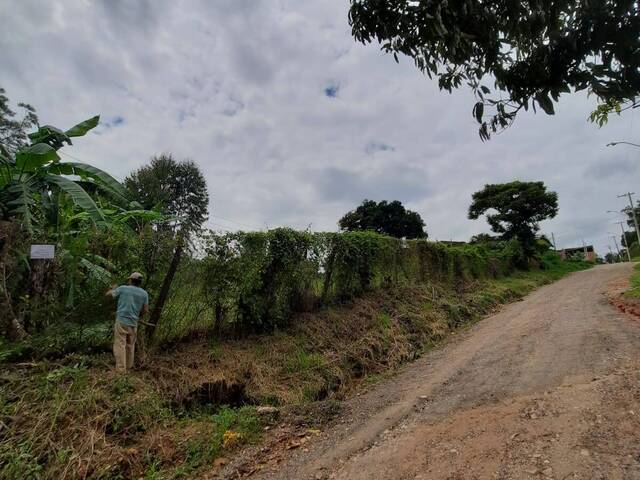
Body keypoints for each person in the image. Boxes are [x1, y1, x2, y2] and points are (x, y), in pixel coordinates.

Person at [106, 272, 149, 373]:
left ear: (130, 280)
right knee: (130, 345)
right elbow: (146, 310)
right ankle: (129, 368)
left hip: (121, 321)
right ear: (140, 282)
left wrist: (113, 288)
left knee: (120, 345)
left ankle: (121, 371)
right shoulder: (144, 293)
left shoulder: (123, 288)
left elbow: (108, 295)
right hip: (133, 323)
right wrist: (138, 315)